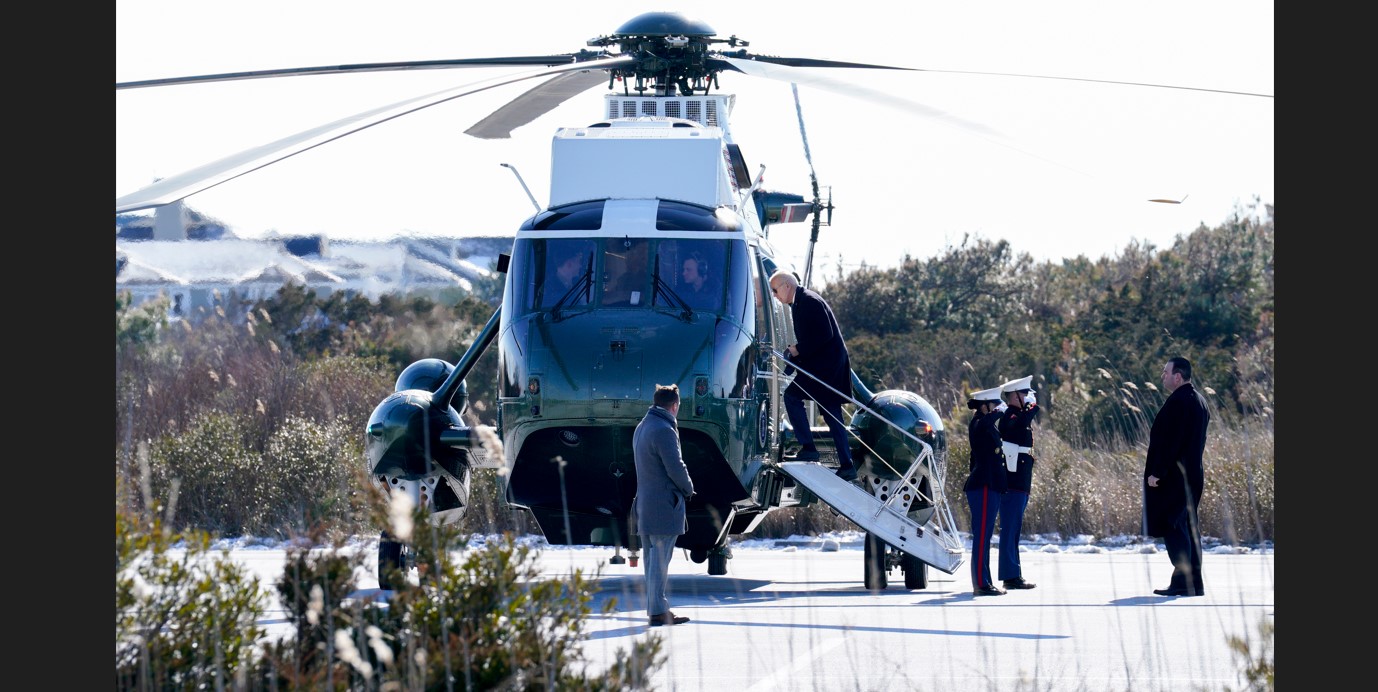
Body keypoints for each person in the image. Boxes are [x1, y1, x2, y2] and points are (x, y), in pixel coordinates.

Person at [767, 270, 858, 481]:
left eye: (775, 290)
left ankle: (809, 448)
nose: (774, 295)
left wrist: (798, 350)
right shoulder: (800, 302)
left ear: (786, 286)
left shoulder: (809, 301)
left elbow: (824, 335)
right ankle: (847, 465)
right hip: (825, 367)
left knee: (792, 396)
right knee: (832, 416)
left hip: (827, 370)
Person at [1144, 356, 1211, 597]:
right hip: (1193, 475)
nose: (1162, 376)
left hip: (1175, 477)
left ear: (1178, 376)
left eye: (1166, 372)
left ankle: (1183, 581)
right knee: (1188, 527)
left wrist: (1157, 473)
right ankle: (1193, 582)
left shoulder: (1180, 402)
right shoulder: (1200, 401)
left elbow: (1171, 443)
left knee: (1174, 526)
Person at [633, 383, 696, 626]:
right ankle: (659, 612)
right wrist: (688, 488)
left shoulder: (643, 426)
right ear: (674, 405)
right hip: (663, 506)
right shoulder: (664, 429)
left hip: (645, 506)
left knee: (651, 563)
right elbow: (676, 467)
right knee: (659, 563)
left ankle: (655, 609)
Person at [964, 385, 1008, 596]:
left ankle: (985, 581)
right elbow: (986, 424)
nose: (997, 409)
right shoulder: (979, 423)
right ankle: (981, 584)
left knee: (986, 536)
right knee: (981, 536)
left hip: (989, 484)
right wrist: (1000, 411)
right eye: (994, 404)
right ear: (985, 406)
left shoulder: (986, 424)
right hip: (982, 486)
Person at [996, 375, 1039, 590]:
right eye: (1023, 394)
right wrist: (1031, 409)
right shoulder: (1010, 416)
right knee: (1010, 529)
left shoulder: (1017, 414)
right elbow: (1020, 423)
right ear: (1014, 396)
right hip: (1013, 482)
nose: (1027, 397)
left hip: (1020, 481)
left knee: (1014, 530)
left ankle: (1014, 573)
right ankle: (1010, 575)